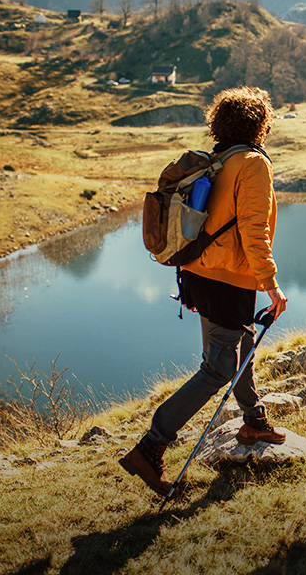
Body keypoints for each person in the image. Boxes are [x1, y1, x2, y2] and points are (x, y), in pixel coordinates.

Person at [119, 86, 288, 496]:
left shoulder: (220, 159)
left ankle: (254, 420)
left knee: (240, 344)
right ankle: (151, 446)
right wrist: (272, 284)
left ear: (221, 124)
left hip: (199, 272)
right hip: (228, 278)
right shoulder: (252, 164)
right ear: (260, 124)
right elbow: (254, 231)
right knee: (217, 368)